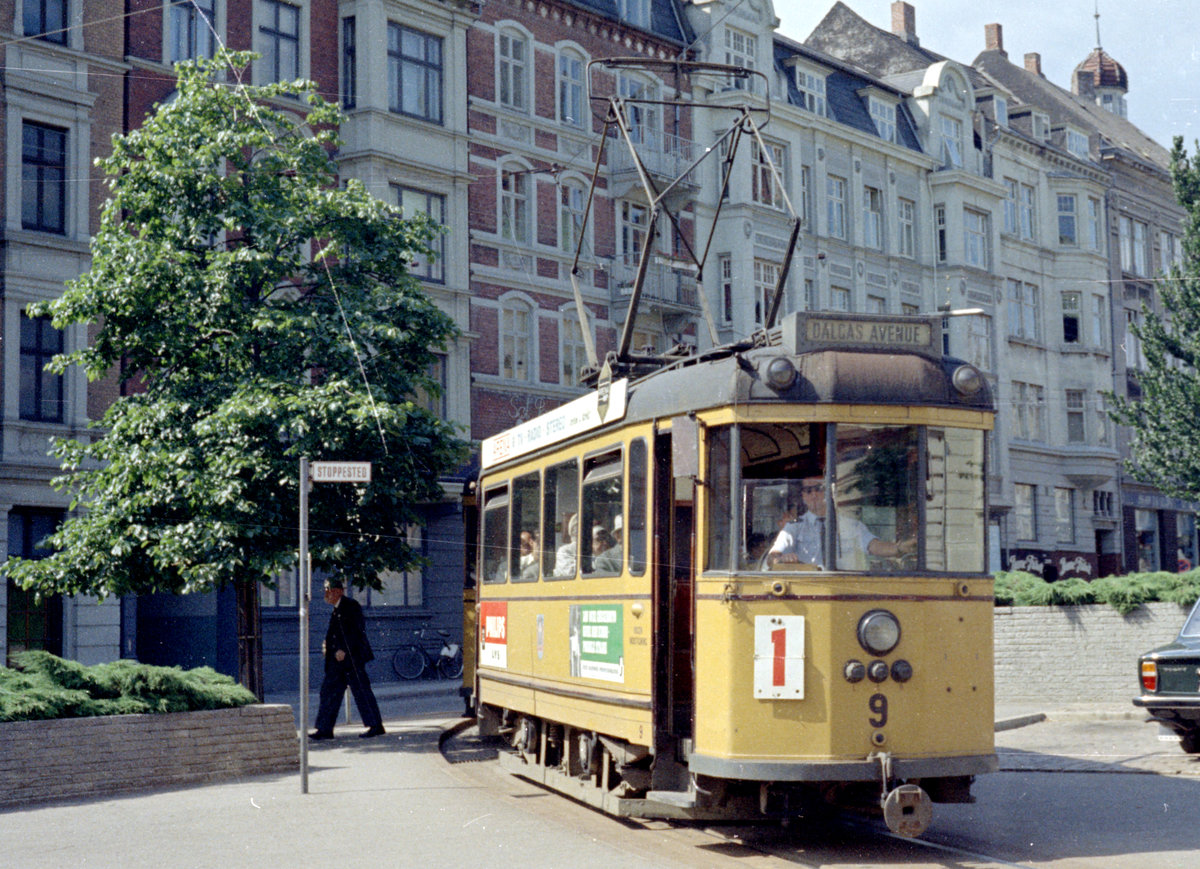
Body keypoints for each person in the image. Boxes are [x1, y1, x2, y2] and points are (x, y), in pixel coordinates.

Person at [766, 475, 914, 570]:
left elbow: (874, 546)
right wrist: (782, 559)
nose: (814, 494)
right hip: (809, 589)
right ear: (803, 496)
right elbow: (771, 558)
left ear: (830, 492)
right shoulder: (794, 527)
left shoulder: (851, 525)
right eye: (808, 490)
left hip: (843, 587)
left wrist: (899, 548)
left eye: (819, 488)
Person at [309, 578, 385, 740]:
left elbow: (356, 631)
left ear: (339, 591)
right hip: (337, 662)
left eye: (328, 589)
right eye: (325, 589)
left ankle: (376, 726)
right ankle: (324, 729)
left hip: (352, 659)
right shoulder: (337, 608)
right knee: (329, 691)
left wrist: (343, 648)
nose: (326, 593)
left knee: (361, 691)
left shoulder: (351, 606)